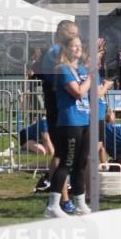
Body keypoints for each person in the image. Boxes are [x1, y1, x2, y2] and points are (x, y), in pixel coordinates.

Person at [45, 36, 94, 217]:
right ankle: (52, 205)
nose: (77, 49)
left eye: (79, 46)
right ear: (66, 49)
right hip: (70, 121)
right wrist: (90, 78)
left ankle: (80, 203)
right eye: (73, 46)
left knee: (81, 163)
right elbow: (78, 92)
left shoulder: (80, 69)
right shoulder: (62, 69)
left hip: (84, 120)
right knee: (66, 162)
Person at [35, 20, 80, 214]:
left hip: (64, 110)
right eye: (72, 34)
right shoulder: (55, 52)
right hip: (58, 110)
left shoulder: (57, 52)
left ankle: (62, 197)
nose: (75, 39)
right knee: (62, 155)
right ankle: (61, 198)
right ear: (62, 33)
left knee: (66, 155)